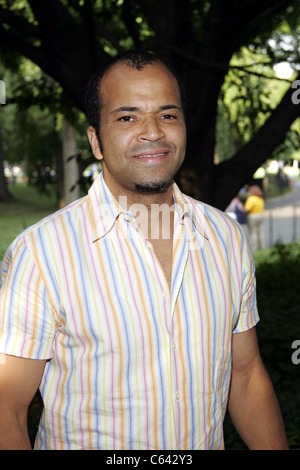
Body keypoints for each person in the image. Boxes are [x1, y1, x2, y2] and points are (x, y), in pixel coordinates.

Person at [0, 51, 288, 450]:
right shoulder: (41, 254)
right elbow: (6, 409)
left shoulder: (226, 238)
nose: (153, 132)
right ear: (96, 140)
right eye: (127, 117)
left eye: (168, 115)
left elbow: (246, 374)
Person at [244, 185, 265, 251]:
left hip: (252, 216)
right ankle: (262, 247)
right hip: (260, 215)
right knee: (260, 232)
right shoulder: (260, 199)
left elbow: (247, 209)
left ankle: (254, 248)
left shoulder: (251, 199)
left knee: (253, 232)